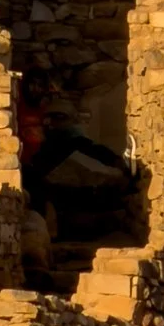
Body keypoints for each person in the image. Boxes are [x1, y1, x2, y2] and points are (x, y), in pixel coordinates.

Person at [15, 68, 132, 224]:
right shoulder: (17, 102)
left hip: (39, 157)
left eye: (40, 86)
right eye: (32, 84)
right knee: (45, 191)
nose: (36, 89)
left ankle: (118, 162)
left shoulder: (42, 105)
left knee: (75, 139)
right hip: (24, 164)